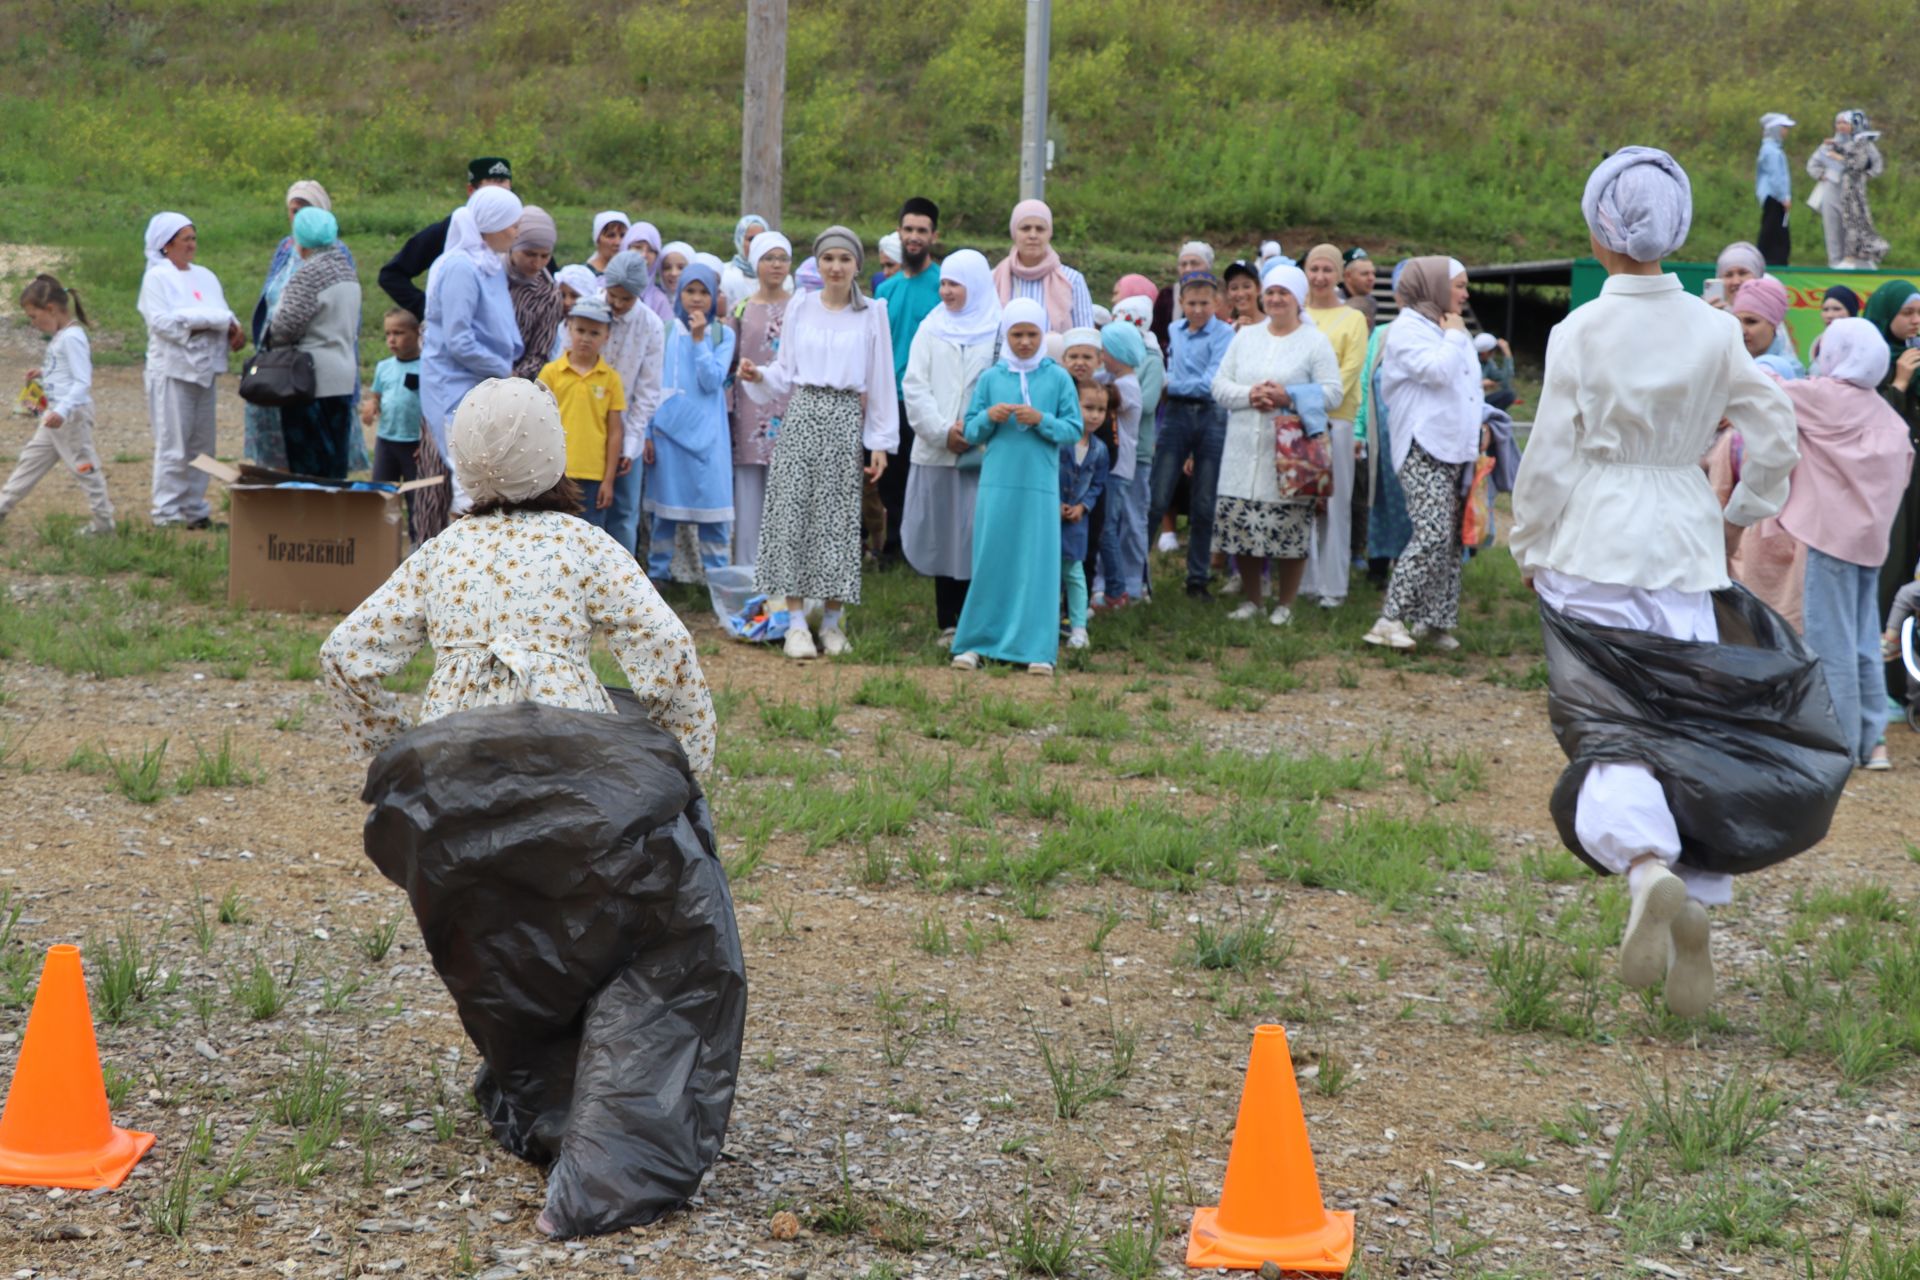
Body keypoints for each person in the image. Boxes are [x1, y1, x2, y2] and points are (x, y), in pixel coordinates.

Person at [1510, 146, 1807, 1018]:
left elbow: (1552, 456)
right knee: (1683, 717)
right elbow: (1775, 425)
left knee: (1607, 720)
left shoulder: (1581, 332)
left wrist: (1531, 544)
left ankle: (1644, 866)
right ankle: (1697, 898)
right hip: (1682, 537)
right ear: (1675, 229)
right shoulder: (1715, 327)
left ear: (1600, 232)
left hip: (1593, 536)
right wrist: (1741, 507)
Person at [318, 376, 716, 774]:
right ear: (552, 449)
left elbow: (343, 655)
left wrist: (396, 746)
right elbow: (667, 644)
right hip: (570, 752)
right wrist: (683, 763)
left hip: (451, 755)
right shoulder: (585, 545)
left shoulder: (440, 551)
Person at [737, 227, 897, 660]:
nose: (836, 267)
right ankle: (793, 624)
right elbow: (784, 370)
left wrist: (879, 441)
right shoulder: (801, 307)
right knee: (792, 515)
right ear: (818, 264)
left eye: (845, 259)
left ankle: (831, 621)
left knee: (837, 521)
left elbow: (881, 380)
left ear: (857, 266)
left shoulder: (872, 313)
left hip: (845, 418)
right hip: (803, 413)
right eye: (829, 259)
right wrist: (759, 376)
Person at [1776, 317, 1914, 771]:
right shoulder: (1883, 413)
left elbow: (1766, 386)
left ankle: (1838, 739)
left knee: (1828, 640)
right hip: (1870, 543)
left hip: (1830, 540)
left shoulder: (1823, 398)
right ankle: (1873, 741)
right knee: (1862, 640)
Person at [950, 299, 1083, 674]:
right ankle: (976, 642)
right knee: (993, 557)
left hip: (1039, 485)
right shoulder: (992, 378)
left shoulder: (1057, 378)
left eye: (1031, 334)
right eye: (1017, 334)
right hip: (997, 483)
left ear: (1043, 334)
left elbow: (1073, 429)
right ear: (1005, 335)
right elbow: (970, 429)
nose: (1024, 342)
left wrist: (1042, 419)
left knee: (1036, 562)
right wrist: (988, 418)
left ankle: (1036, 648)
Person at [1211, 261, 1342, 627]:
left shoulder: (1314, 342)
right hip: (1242, 447)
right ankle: (1253, 599)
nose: (1275, 299)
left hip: (1289, 453)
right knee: (1243, 527)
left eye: (1283, 293)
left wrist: (1289, 396)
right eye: (1270, 292)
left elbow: (1333, 392)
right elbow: (1219, 385)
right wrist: (1250, 394)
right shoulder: (1245, 336)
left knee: (1288, 530)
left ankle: (1285, 603)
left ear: (1298, 298)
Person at [1362, 257, 1480, 651]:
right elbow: (1437, 372)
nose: (1465, 293)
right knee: (1431, 533)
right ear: (1433, 286)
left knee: (1449, 541)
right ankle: (1389, 619)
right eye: (1459, 285)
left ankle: (1434, 620)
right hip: (1422, 445)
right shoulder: (1408, 329)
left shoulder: (1445, 327)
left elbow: (1466, 387)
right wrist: (1456, 337)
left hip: (1453, 448)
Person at [901, 248, 999, 643]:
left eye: (955, 284)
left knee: (977, 533)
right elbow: (915, 386)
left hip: (983, 454)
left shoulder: (999, 328)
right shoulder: (931, 327)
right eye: (943, 283)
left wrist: (973, 432)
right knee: (943, 535)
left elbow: (1004, 385)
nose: (946, 291)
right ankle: (948, 621)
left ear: (974, 285)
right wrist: (943, 432)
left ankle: (977, 619)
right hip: (937, 451)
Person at [420, 187, 524, 526]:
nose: (516, 232)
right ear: (492, 224)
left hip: (481, 384)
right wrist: (503, 369)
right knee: (468, 479)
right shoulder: (461, 268)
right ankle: (461, 568)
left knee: (486, 480)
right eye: (511, 224)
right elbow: (458, 340)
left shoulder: (487, 263)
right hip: (455, 386)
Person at [244, 180, 364, 473]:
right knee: (333, 467)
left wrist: (270, 336)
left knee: (310, 467)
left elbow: (285, 326)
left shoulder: (309, 274)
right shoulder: (345, 271)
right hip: (341, 373)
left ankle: (310, 518)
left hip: (309, 379)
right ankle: (335, 518)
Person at [138, 212, 242, 529]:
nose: (192, 245)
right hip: (172, 371)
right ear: (166, 245)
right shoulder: (156, 278)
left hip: (206, 369)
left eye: (194, 238)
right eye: (186, 239)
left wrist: (227, 326)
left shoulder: (205, 276)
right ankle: (166, 511)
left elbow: (224, 314)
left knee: (202, 444)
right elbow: (162, 323)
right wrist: (208, 322)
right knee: (173, 442)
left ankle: (194, 508)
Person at [0, 275, 113, 535]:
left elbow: (82, 381)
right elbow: (65, 372)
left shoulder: (73, 338)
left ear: (50, 309)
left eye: (33, 316)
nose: (33, 323)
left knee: (84, 466)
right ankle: (2, 507)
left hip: (70, 417)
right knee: (30, 461)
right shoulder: (62, 336)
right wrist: (43, 372)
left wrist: (62, 411)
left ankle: (104, 523)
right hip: (54, 417)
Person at [1147, 271, 1235, 600]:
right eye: (1192, 303)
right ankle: (1135, 572)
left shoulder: (1224, 334)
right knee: (1157, 494)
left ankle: (1197, 577)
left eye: (1205, 303)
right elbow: (1173, 368)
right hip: (1176, 414)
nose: (1198, 309)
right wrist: (1169, 382)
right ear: (1181, 303)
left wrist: (1168, 385)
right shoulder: (1174, 330)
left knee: (1204, 500)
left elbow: (1211, 381)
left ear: (1217, 303)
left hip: (1211, 414)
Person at [644, 264, 734, 578]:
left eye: (703, 292)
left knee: (713, 513)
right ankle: (659, 578)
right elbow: (650, 384)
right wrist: (647, 433)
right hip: (668, 435)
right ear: (679, 293)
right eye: (689, 291)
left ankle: (718, 583)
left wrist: (699, 342)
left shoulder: (723, 334)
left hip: (709, 438)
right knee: (665, 514)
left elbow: (712, 381)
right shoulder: (664, 331)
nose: (696, 299)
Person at [1302, 244, 1372, 609]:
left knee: (1334, 501)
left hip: (1336, 419)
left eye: (1327, 270)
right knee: (1301, 499)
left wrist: (1313, 400)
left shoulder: (1352, 319)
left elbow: (1349, 371)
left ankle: (1333, 585)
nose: (1319, 277)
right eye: (1314, 269)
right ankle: (1304, 581)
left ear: (1339, 274)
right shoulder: (1299, 315)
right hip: (1297, 420)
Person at [876, 197, 944, 561]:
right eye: (909, 229)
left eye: (922, 230)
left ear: (934, 235)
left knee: (924, 478)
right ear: (899, 232)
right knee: (890, 480)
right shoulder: (885, 291)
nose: (914, 237)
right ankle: (893, 548)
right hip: (888, 400)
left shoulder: (944, 286)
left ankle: (924, 550)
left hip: (928, 399)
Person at [726, 233, 793, 567]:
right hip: (749, 410)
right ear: (756, 263)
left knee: (785, 491)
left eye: (783, 257)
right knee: (749, 490)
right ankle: (747, 567)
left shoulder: (800, 307)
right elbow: (730, 360)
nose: (777, 264)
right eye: (769, 257)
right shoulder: (742, 308)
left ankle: (782, 569)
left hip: (789, 406)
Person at [378, 156, 512, 321]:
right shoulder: (449, 230)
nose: (501, 192)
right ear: (471, 191)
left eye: (505, 185)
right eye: (492, 184)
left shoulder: (518, 228)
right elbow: (392, 275)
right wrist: (429, 309)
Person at [596, 250, 666, 557]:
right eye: (613, 296)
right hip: (585, 424)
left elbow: (648, 389)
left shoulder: (651, 325)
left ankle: (623, 587)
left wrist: (631, 441)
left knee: (624, 511)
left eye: (626, 299)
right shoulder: (590, 310)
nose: (617, 305)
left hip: (625, 427)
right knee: (585, 508)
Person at [538, 295, 625, 532]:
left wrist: (608, 480)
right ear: (568, 328)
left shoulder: (611, 379)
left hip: (593, 476)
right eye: (580, 330)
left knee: (590, 536)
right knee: (554, 534)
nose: (585, 338)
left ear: (606, 336)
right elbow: (538, 422)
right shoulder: (551, 373)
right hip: (556, 473)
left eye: (594, 333)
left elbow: (615, 432)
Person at [1865, 280, 1920, 621]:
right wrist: (1899, 384)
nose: (1916, 320)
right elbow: (1871, 426)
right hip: (1888, 487)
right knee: (1891, 568)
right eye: (1907, 312)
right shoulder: (1870, 364)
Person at [1093, 320, 1148, 610]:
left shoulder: (1125, 387)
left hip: (1117, 469)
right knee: (1107, 527)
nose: (1101, 356)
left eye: (1104, 351)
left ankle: (1116, 590)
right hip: (1114, 468)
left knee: (1107, 529)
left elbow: (1099, 395)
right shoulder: (1117, 381)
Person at [361, 307, 424, 536]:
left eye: (398, 333)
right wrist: (371, 406)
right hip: (387, 441)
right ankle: (382, 541)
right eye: (388, 334)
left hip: (415, 444)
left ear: (417, 333)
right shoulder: (383, 367)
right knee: (382, 493)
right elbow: (375, 396)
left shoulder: (427, 366)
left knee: (417, 499)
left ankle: (418, 541)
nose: (392, 339)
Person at [1060, 381, 1111, 652]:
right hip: (1049, 519)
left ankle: (1078, 627)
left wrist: (1082, 507)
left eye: (1101, 409)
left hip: (1077, 523)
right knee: (1046, 573)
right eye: (1088, 407)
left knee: (1075, 573)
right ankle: (1045, 621)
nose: (1094, 415)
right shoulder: (1060, 441)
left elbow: (1097, 485)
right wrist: (1055, 503)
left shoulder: (1100, 449)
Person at [992, 200, 1093, 334]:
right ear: (1013, 233)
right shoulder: (993, 279)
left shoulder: (1072, 280)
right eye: (1025, 228)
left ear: (1049, 234)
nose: (1033, 235)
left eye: (1040, 229)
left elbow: (1085, 336)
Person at [1817, 111, 1888, 269]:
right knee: (1836, 228)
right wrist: (1822, 172)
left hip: (1854, 190)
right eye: (1839, 123)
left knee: (1856, 223)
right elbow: (1818, 161)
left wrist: (1840, 158)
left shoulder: (1863, 142)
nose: (1842, 126)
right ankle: (1839, 261)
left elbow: (1859, 163)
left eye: (1846, 123)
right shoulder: (1846, 142)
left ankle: (1857, 258)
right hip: (1837, 190)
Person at [503, 207, 566, 382]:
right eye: (529, 254)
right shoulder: (490, 273)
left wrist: (513, 377)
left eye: (545, 256)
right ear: (514, 245)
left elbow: (539, 352)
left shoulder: (548, 294)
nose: (537, 263)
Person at [1732, 276, 1803, 381]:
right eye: (1736, 321)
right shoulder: (1730, 362)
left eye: (1751, 322)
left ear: (1773, 324)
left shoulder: (1789, 370)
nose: (1742, 331)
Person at [1755, 113, 1795, 266]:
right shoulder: (1770, 150)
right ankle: (1771, 261)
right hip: (1774, 197)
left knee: (1777, 232)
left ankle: (1775, 260)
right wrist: (1783, 197)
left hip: (1774, 197)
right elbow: (1776, 176)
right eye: (1784, 127)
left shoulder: (1772, 148)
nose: (1786, 131)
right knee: (1773, 232)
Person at [719, 214, 771, 312]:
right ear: (739, 240)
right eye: (751, 239)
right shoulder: (725, 274)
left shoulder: (778, 275)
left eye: (761, 238)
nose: (756, 243)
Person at [584, 210, 629, 279]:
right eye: (611, 236)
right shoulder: (585, 276)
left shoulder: (635, 275)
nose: (618, 242)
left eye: (622, 236)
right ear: (598, 240)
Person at [1475, 333, 1516, 407]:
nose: (1494, 354)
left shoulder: (1488, 363)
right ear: (1485, 352)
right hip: (1465, 401)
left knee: (1508, 395)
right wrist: (1479, 384)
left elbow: (1505, 382)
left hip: (1479, 400)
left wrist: (1507, 354)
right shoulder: (1468, 360)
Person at [1342, 248, 1378, 329]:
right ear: (1348, 276)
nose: (1371, 278)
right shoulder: (1335, 302)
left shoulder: (1371, 302)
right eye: (1365, 274)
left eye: (1373, 273)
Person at [1221, 261, 1261, 329]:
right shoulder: (1227, 331)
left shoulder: (1274, 323)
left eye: (1246, 286)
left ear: (1258, 288)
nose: (1241, 294)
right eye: (1234, 288)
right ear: (1227, 292)